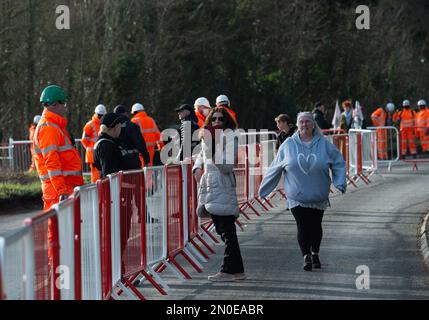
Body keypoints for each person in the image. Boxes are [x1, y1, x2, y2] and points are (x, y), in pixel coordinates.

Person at [258, 112, 346, 271]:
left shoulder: (324, 144)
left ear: (313, 125)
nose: (304, 125)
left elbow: (338, 162)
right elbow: (275, 167)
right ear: (297, 125)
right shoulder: (288, 144)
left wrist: (340, 182)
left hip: (318, 194)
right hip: (296, 195)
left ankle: (315, 253)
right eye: (301, 122)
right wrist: (264, 189)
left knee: (315, 225)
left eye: (307, 122)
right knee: (302, 224)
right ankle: (306, 256)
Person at [193, 107, 245, 282]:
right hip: (208, 186)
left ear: (226, 122)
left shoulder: (230, 138)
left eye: (220, 119)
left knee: (227, 231)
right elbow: (200, 155)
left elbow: (227, 167)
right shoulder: (207, 137)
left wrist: (212, 150)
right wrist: (197, 166)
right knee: (224, 230)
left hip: (222, 186)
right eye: (213, 119)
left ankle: (228, 270)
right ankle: (238, 270)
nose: (216, 122)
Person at [33, 85, 84, 211]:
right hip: (59, 191)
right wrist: (61, 191)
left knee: (66, 229)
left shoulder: (55, 126)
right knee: (58, 229)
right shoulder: (49, 128)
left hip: (63, 189)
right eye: (63, 103)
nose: (65, 107)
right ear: (55, 104)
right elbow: (52, 163)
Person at [113, 105, 151, 170]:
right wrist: (146, 159)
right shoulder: (132, 126)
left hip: (117, 162)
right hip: (133, 161)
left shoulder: (112, 128)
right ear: (125, 113)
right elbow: (140, 143)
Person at [93, 112, 126, 178]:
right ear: (116, 127)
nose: (121, 128)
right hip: (113, 187)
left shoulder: (103, 143)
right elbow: (108, 175)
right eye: (120, 125)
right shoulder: (106, 146)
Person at [81, 104, 106, 182]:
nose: (101, 117)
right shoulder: (90, 125)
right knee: (96, 176)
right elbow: (84, 140)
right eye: (100, 115)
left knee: (101, 175)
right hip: (93, 155)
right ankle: (96, 191)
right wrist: (90, 150)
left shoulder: (103, 124)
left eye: (102, 115)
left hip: (100, 154)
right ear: (96, 114)